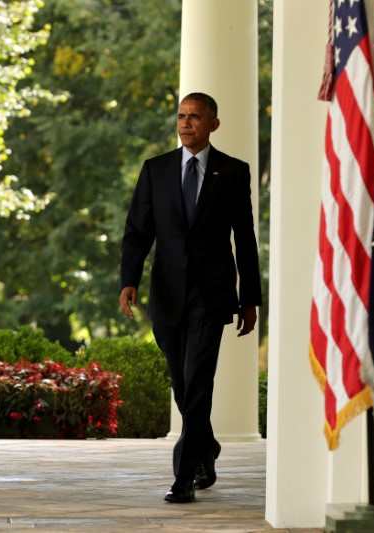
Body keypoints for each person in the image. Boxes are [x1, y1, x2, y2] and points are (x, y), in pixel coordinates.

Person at [119, 92, 261, 503]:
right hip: (166, 294)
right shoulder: (156, 170)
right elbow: (137, 230)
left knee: (198, 379)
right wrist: (129, 280)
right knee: (182, 383)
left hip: (212, 294)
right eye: (181, 116)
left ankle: (183, 476)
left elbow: (245, 239)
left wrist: (249, 297)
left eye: (195, 117)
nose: (185, 124)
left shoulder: (234, 173)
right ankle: (207, 446)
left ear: (213, 124)